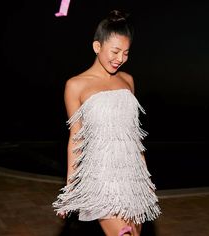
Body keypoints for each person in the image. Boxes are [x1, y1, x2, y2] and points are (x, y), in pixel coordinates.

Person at [52, 9, 161, 236]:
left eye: (126, 53)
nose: (120, 58)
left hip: (132, 175)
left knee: (135, 233)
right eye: (115, 51)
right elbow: (76, 137)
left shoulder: (128, 80)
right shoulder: (75, 85)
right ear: (97, 47)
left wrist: (145, 177)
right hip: (101, 177)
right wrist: (71, 188)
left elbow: (133, 134)